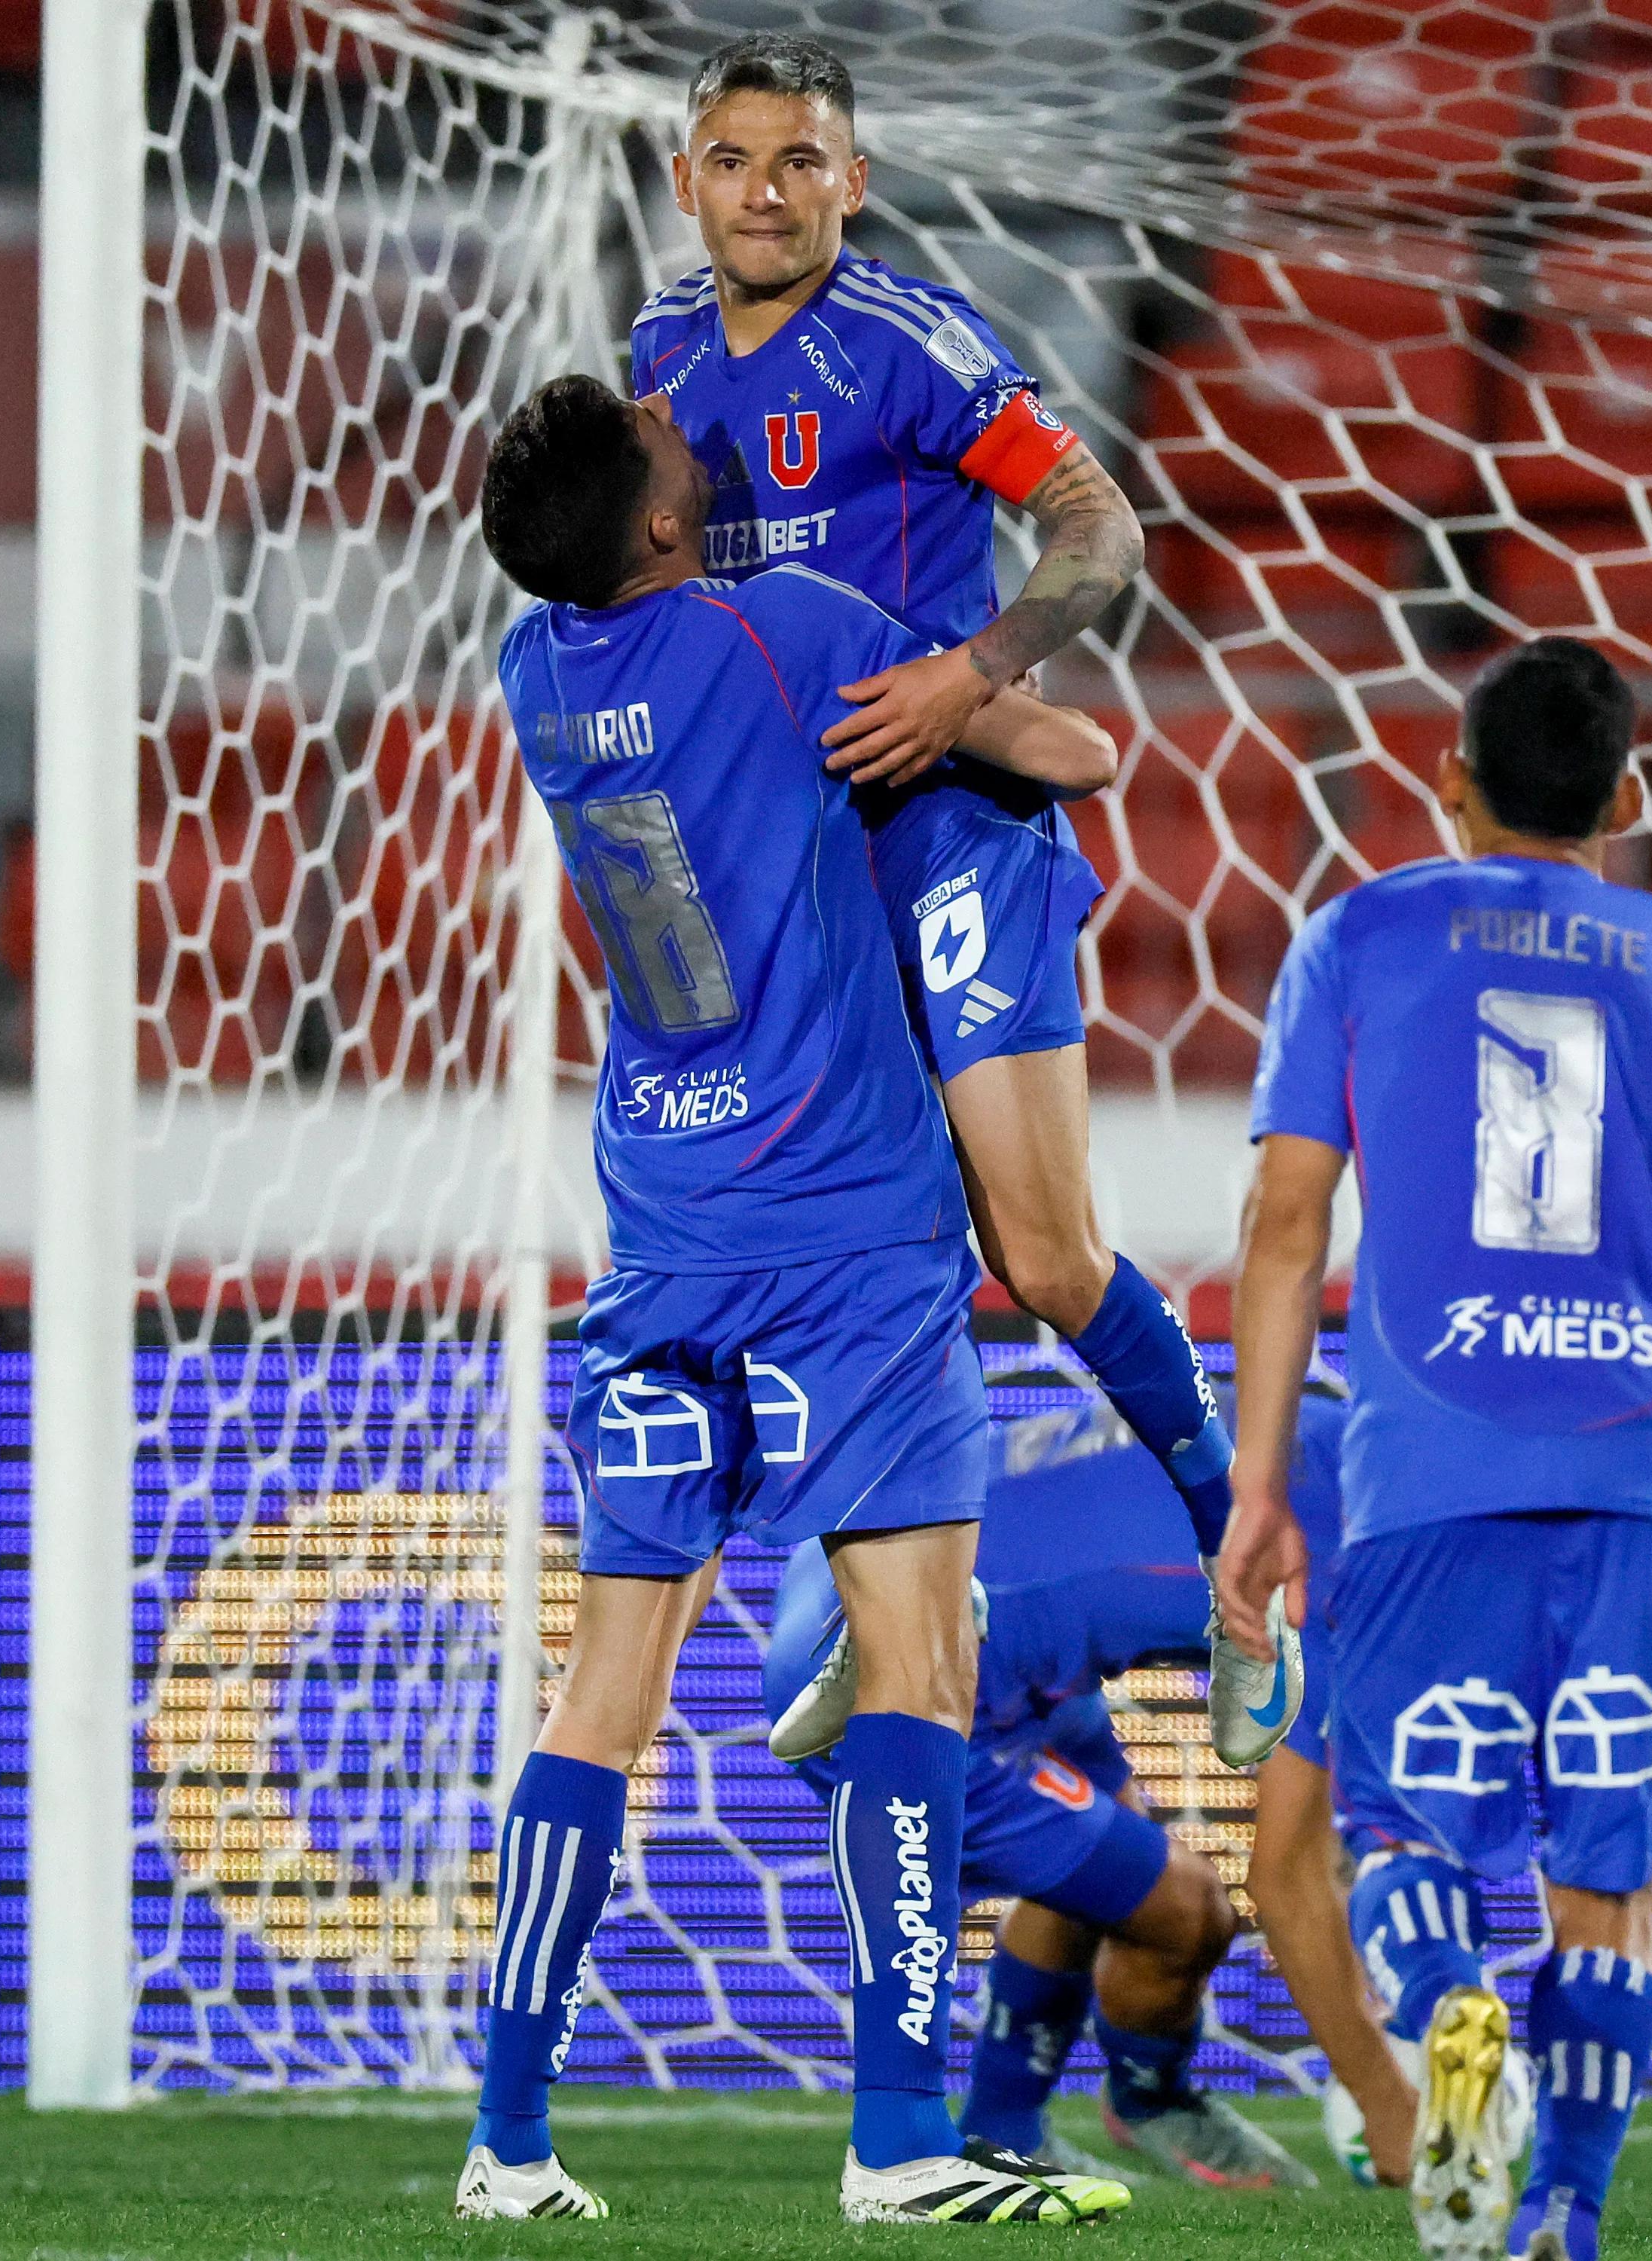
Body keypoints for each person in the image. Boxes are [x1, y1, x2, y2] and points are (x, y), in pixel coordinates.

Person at [457, 371, 1128, 2228]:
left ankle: (507, 2142)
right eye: (673, 452)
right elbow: (1074, 762)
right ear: (667, 524)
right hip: (841, 1229)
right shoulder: (791, 627)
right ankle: (904, 2138)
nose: (700, 440)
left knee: (607, 1690)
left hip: (659, 1224)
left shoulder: (535, 669)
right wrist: (987, 717)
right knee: (918, 1665)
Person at [634, 30, 1294, 1764]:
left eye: (799, 161)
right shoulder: (655, 352)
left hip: (957, 833)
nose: (765, 192)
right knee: (875, 1250)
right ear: (687, 176)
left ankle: (1247, 1576)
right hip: (798, 867)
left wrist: (971, 672)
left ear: (851, 178)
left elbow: (1103, 533)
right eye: (731, 160)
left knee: (1048, 1253)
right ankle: (914, 1605)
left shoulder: (912, 345)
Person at [1218, 638, 1652, 2261]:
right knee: (1608, 1882)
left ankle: (1446, 2016)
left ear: (1448, 778)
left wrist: (1262, 1487)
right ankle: (1562, 2211)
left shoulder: (1355, 935)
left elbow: (1285, 1230)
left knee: (1404, 1836)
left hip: (1430, 1467)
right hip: (1645, 1478)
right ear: (1629, 797)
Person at [762, 1380, 1361, 2192]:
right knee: (1188, 1916)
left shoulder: (1302, 1428)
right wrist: (1388, 2101)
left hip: (863, 1571)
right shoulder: (1327, 1565)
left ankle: (1006, 2125)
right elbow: (1289, 1876)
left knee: (1099, 1850)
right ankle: (1151, 2100)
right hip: (900, 1664)